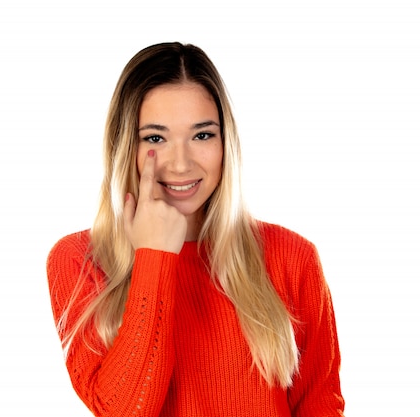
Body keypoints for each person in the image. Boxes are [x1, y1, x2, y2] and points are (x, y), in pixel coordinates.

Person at [46, 42, 345, 416]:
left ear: (226, 143)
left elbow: (320, 404)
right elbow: (122, 411)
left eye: (202, 135)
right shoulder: (79, 261)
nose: (181, 163)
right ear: (125, 146)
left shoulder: (292, 257)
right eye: (155, 138)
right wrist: (154, 257)